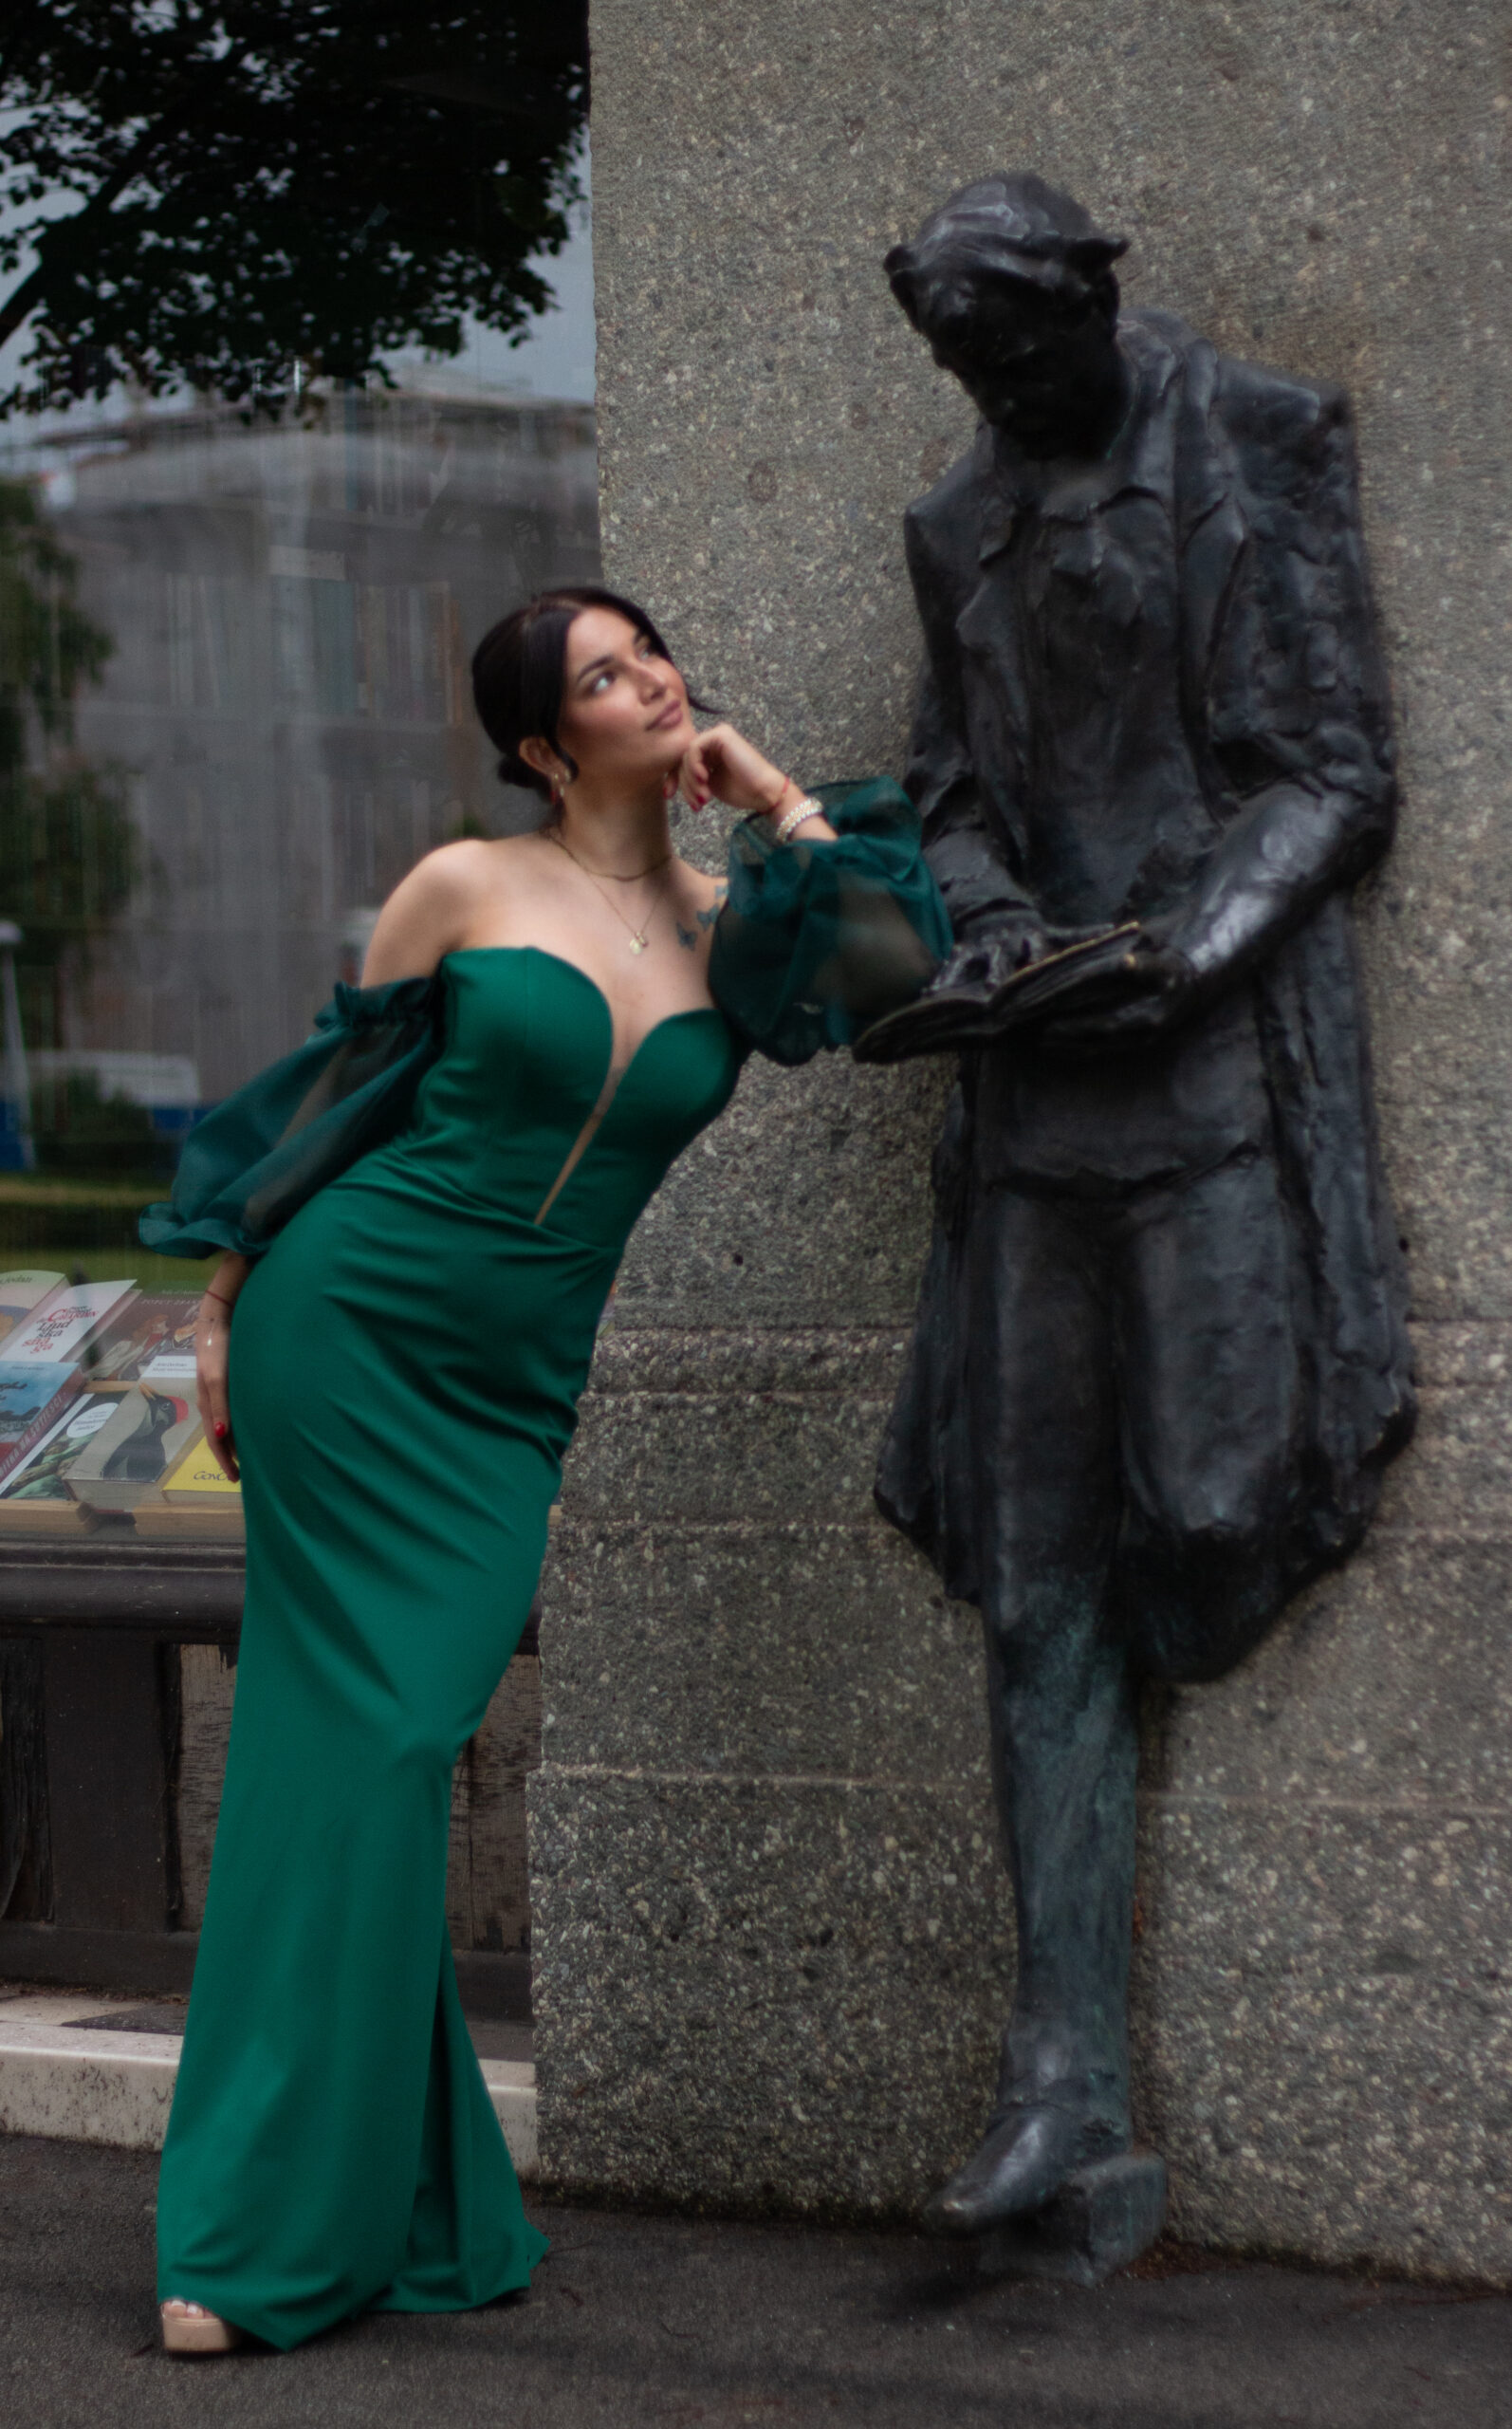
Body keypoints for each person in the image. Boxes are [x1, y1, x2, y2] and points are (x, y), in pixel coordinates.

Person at [142, 584, 950, 2354]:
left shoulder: (741, 925)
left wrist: (781, 799)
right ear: (539, 744)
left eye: (647, 651)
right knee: (356, 1757)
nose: (650, 678)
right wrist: (216, 1309)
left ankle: (414, 2199)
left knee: (390, 1748)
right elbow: (331, 1110)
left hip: (508, 1397)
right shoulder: (464, 886)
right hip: (345, 1333)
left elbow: (903, 976)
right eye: (602, 674)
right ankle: (248, 2236)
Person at [864, 175, 1413, 2241]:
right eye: (965, 371)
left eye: (1018, 354)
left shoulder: (1257, 435)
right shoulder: (956, 526)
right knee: (1035, 1586)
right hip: (1034, 1111)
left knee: (1205, 1512)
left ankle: (1074, 2069)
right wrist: (995, 924)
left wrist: (1191, 945)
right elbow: (943, 792)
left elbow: (1334, 770)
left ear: (1094, 296)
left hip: (1208, 1080)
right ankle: (1057, 2083)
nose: (997, 396)